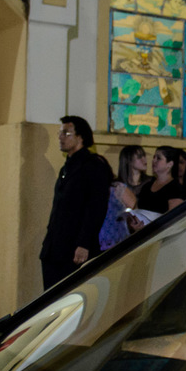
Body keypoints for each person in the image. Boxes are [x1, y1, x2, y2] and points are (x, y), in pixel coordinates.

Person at [39, 116, 112, 288]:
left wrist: (84, 243)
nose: (60, 137)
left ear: (80, 138)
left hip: (74, 250)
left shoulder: (93, 166)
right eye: (60, 133)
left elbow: (96, 207)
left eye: (66, 133)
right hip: (54, 248)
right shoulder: (66, 167)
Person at [100, 145, 147, 251]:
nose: (145, 160)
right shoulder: (114, 186)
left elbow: (135, 213)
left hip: (121, 239)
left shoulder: (117, 188)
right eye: (139, 157)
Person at [136, 147, 185, 215]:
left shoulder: (175, 188)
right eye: (154, 157)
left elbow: (173, 216)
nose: (154, 160)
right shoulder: (146, 186)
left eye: (158, 158)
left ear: (170, 164)